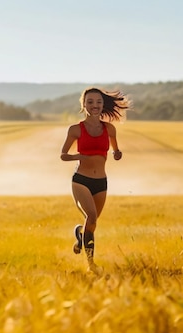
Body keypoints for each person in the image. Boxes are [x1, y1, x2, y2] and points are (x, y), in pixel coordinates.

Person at [60, 87, 130, 274]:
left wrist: (117, 154)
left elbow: (115, 151)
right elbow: (63, 155)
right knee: (90, 216)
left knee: (92, 223)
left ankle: (80, 234)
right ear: (84, 105)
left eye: (98, 102)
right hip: (81, 180)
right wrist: (78, 157)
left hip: (101, 182)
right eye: (90, 102)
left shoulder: (109, 129)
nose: (95, 105)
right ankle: (91, 265)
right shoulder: (75, 129)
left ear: (103, 104)